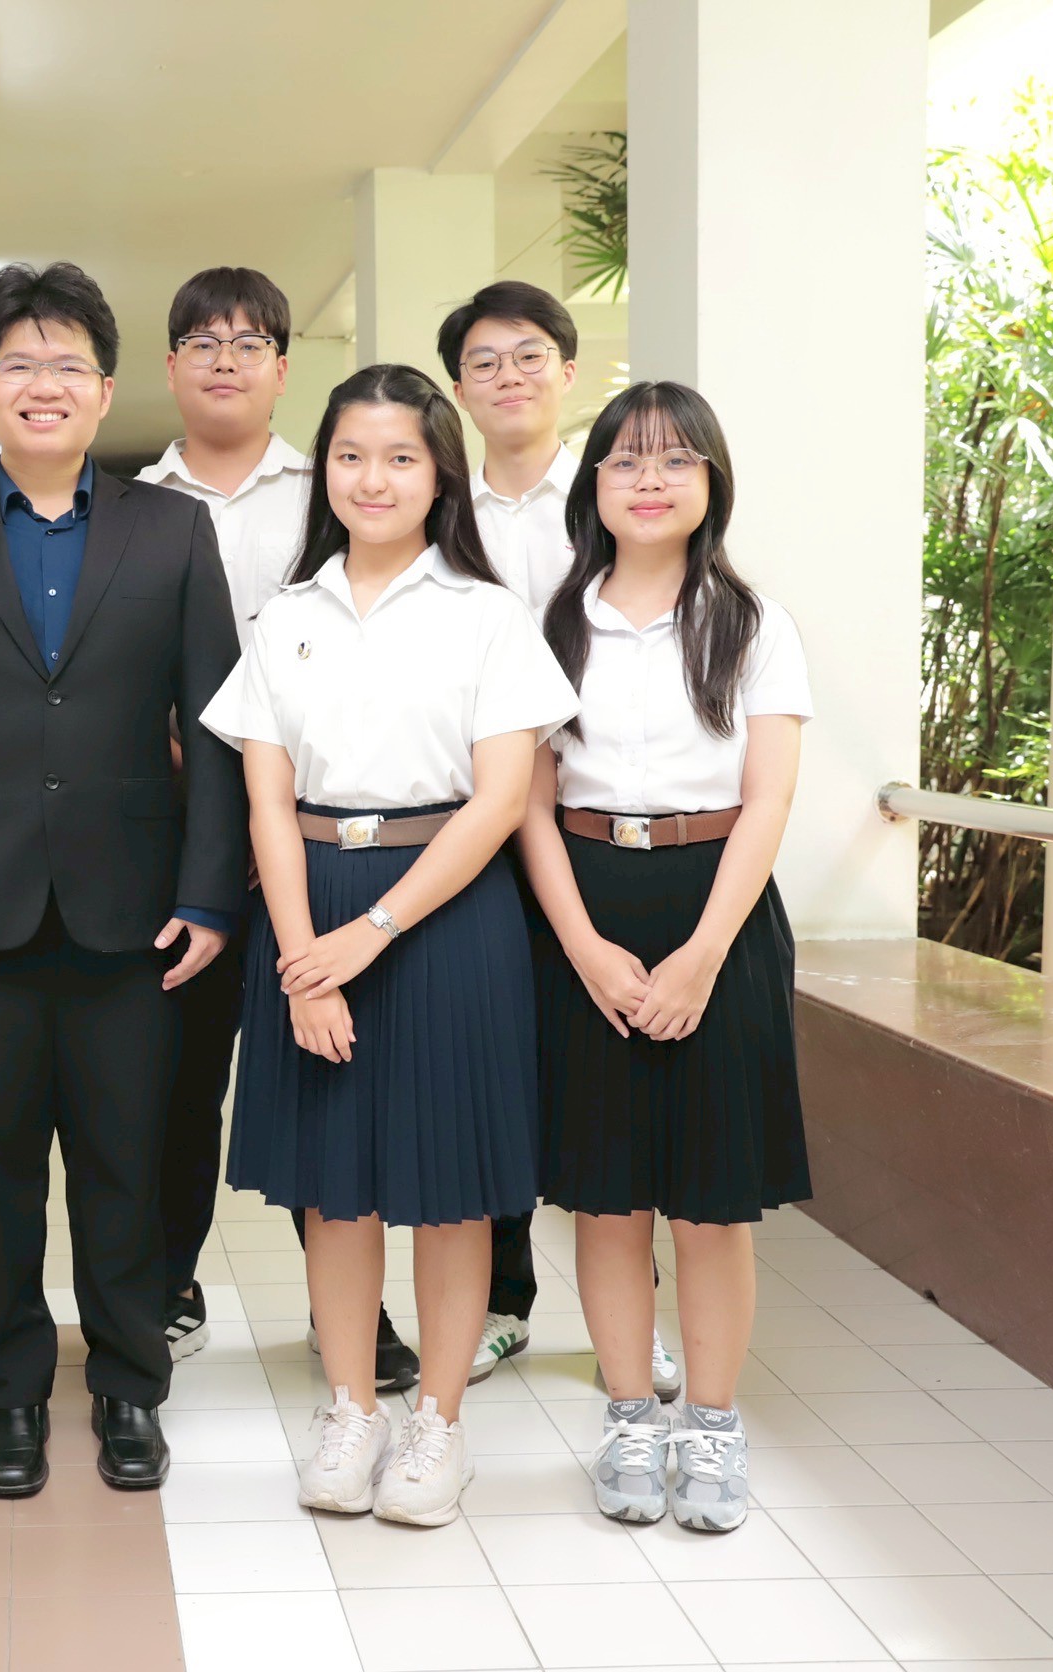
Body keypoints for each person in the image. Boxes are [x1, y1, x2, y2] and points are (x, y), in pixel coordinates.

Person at [0, 261, 246, 1500]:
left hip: (136, 912)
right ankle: (10, 1392)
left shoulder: (172, 531)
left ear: (105, 390)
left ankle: (130, 1384)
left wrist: (209, 893)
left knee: (129, 1161)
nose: (43, 384)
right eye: (18, 363)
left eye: (67, 364)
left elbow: (218, 728)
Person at [202, 362, 577, 1526]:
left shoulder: (487, 614)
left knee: (452, 1188)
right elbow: (267, 801)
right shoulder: (287, 617)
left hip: (448, 911)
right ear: (327, 471)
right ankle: (353, 1408)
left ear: (439, 475)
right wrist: (303, 954)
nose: (374, 478)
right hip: (311, 899)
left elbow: (500, 798)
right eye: (352, 456)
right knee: (336, 1189)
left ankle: (438, 1425)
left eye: (401, 457)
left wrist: (370, 933)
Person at [519, 380, 810, 1534]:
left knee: (710, 1204)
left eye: (676, 460)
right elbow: (530, 805)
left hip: (717, 906)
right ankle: (631, 1415)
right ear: (592, 482)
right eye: (627, 460)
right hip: (585, 902)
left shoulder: (754, 624)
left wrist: (701, 957)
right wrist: (583, 948)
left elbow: (769, 798)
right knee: (606, 1196)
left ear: (710, 483)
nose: (651, 480)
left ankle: (715, 1425)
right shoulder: (550, 624)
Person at [140, 266, 423, 1391]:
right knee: (175, 1079)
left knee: (330, 1065)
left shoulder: (336, 490)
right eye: (203, 342)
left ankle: (345, 1308)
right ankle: (166, 1282)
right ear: (169, 368)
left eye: (249, 342)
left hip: (318, 830)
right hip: (177, 833)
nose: (226, 360)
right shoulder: (132, 504)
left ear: (283, 368)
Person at [439, 279, 683, 1398]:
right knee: (490, 1063)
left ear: (569, 372)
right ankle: (504, 1301)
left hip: (586, 817)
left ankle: (635, 1321)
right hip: (471, 820)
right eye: (483, 362)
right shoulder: (442, 508)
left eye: (529, 355)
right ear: (458, 387)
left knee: (609, 1070)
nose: (509, 377)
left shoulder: (609, 495)